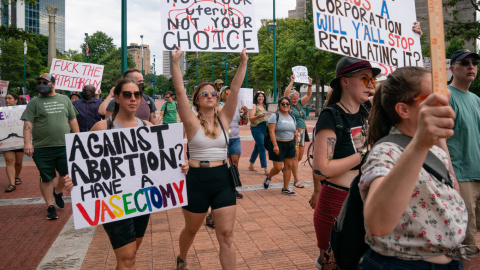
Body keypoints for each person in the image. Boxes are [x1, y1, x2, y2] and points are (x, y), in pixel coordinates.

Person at [65, 78, 188, 269]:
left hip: (142, 199)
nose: (133, 98)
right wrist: (75, 180)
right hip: (112, 201)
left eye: (137, 94)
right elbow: (86, 166)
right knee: (128, 257)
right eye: (127, 94)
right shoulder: (102, 128)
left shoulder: (148, 127)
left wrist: (180, 166)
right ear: (117, 97)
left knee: (130, 254)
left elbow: (162, 163)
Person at [360, 66, 468, 269]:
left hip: (449, 262)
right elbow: (378, 224)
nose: (444, 103)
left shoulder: (435, 150)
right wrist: (420, 143)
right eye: (432, 98)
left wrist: (437, 139)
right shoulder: (386, 151)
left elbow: (454, 193)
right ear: (403, 109)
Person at [172, 46, 247, 270]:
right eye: (204, 94)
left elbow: (234, 90)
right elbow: (179, 92)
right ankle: (182, 257)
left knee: (226, 235)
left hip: (222, 178)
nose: (210, 96)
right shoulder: (191, 121)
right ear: (197, 100)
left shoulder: (224, 119)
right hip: (196, 180)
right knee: (191, 230)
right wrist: (176, 62)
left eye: (213, 93)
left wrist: (243, 62)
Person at [311, 57, 379, 268]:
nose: (370, 84)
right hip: (336, 204)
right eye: (365, 78)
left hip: (367, 200)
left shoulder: (370, 111)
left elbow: (401, 91)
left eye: (373, 80)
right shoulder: (331, 116)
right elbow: (322, 169)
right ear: (345, 81)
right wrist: (362, 155)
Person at [21, 73, 79, 220]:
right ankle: (50, 206)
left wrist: (77, 139)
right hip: (42, 147)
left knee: (65, 174)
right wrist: (27, 142)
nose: (41, 84)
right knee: (46, 177)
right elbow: (28, 123)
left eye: (45, 82)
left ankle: (58, 192)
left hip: (64, 145)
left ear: (53, 84)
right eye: (39, 82)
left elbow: (72, 120)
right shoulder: (34, 102)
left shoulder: (65, 99)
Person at [446, 49, 480, 270]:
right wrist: (452, 177)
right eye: (464, 63)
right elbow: (440, 140)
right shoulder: (446, 96)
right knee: (467, 241)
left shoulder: (476, 98)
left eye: (474, 63)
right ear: (451, 67)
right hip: (461, 177)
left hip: (477, 172)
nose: (471, 66)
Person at [263, 96, 297, 196]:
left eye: (287, 103)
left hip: (290, 144)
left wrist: (296, 142)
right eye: (283, 103)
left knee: (289, 166)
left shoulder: (292, 117)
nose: (285, 105)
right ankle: (269, 177)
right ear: (279, 105)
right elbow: (271, 132)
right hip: (278, 144)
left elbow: (294, 131)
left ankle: (285, 188)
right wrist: (275, 145)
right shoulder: (275, 116)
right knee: (278, 168)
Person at [283, 74, 313, 189]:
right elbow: (286, 94)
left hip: (302, 133)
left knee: (299, 157)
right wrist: (291, 82)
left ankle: (287, 166)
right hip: (294, 133)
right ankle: (296, 180)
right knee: (295, 157)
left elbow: (309, 94)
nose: (295, 100)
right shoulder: (288, 105)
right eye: (293, 99)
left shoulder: (300, 104)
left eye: (296, 99)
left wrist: (309, 84)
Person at [219, 85, 248, 199]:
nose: (229, 94)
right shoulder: (219, 106)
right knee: (222, 163)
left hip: (235, 138)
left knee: (235, 162)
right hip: (222, 138)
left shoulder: (237, 107)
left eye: (231, 93)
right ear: (222, 95)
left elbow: (245, 122)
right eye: (226, 92)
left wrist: (245, 113)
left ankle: (233, 187)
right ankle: (222, 188)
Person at [3, 92, 24, 192]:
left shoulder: (22, 110)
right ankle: (12, 184)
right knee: (10, 161)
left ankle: (16, 176)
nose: (7, 100)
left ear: (16, 100)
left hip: (20, 140)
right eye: (6, 98)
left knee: (19, 162)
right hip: (6, 141)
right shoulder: (1, 111)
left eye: (10, 98)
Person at [248, 91, 269, 175]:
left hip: (265, 128)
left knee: (257, 147)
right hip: (257, 128)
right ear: (256, 97)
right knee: (262, 147)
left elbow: (268, 116)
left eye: (262, 96)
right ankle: (266, 168)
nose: (261, 98)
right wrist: (258, 116)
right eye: (259, 96)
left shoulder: (265, 106)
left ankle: (251, 165)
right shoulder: (254, 106)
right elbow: (251, 118)